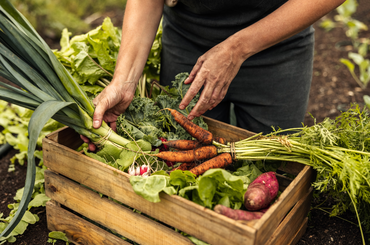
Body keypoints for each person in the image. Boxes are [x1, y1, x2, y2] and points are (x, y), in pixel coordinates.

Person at [82, 0, 345, 151]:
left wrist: (237, 48)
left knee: (271, 167)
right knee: (182, 152)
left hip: (278, 44)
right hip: (188, 39)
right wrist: (124, 81)